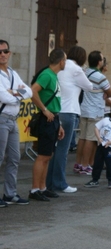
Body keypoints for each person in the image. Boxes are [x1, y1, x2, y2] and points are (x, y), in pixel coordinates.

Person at [46, 46, 93, 195]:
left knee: (54, 149)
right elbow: (89, 86)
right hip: (69, 111)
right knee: (63, 150)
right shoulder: (76, 69)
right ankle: (60, 182)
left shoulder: (59, 68)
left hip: (56, 110)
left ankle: (50, 182)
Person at [29, 49, 66, 201]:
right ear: (61, 61)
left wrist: (59, 124)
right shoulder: (47, 75)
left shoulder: (53, 75)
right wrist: (44, 110)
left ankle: (43, 187)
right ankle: (35, 189)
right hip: (47, 119)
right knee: (43, 155)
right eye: (65, 60)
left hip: (54, 119)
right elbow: (33, 91)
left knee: (48, 155)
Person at [0, 39, 33, 207]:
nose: (2, 55)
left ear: (9, 53)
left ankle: (10, 194)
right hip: (2, 119)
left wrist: (14, 92)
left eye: (5, 51)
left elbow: (29, 90)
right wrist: (17, 94)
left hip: (13, 120)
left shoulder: (12, 73)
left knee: (14, 158)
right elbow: (4, 97)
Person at [74, 51, 111, 175]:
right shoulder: (100, 77)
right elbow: (110, 92)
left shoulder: (85, 72)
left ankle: (78, 163)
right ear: (99, 62)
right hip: (95, 110)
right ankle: (85, 165)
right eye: (102, 59)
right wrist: (106, 93)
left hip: (84, 108)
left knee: (82, 137)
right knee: (90, 139)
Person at [84, 107, 111, 189]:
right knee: (97, 162)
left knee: (110, 164)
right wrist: (99, 138)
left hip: (110, 147)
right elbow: (96, 128)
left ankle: (110, 180)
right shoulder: (105, 120)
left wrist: (110, 142)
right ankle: (95, 179)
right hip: (101, 145)